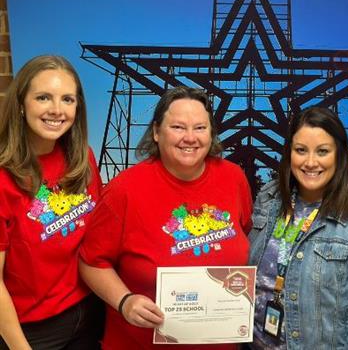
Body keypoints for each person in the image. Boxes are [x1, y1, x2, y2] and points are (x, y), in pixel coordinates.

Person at [79, 86, 253, 349]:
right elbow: (91, 262)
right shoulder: (124, 190)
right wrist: (125, 301)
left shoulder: (234, 178)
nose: (190, 138)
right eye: (178, 127)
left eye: (200, 128)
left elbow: (246, 236)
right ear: (156, 132)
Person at [249, 106, 348, 349]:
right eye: (301, 150)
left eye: (323, 151)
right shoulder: (270, 197)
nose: (310, 162)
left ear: (339, 154)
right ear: (289, 153)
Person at [0, 55, 103, 349]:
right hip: (32, 329)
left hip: (89, 312)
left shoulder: (82, 158)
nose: (57, 110)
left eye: (67, 99)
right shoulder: (3, 177)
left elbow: (99, 238)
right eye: (44, 97)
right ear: (21, 104)